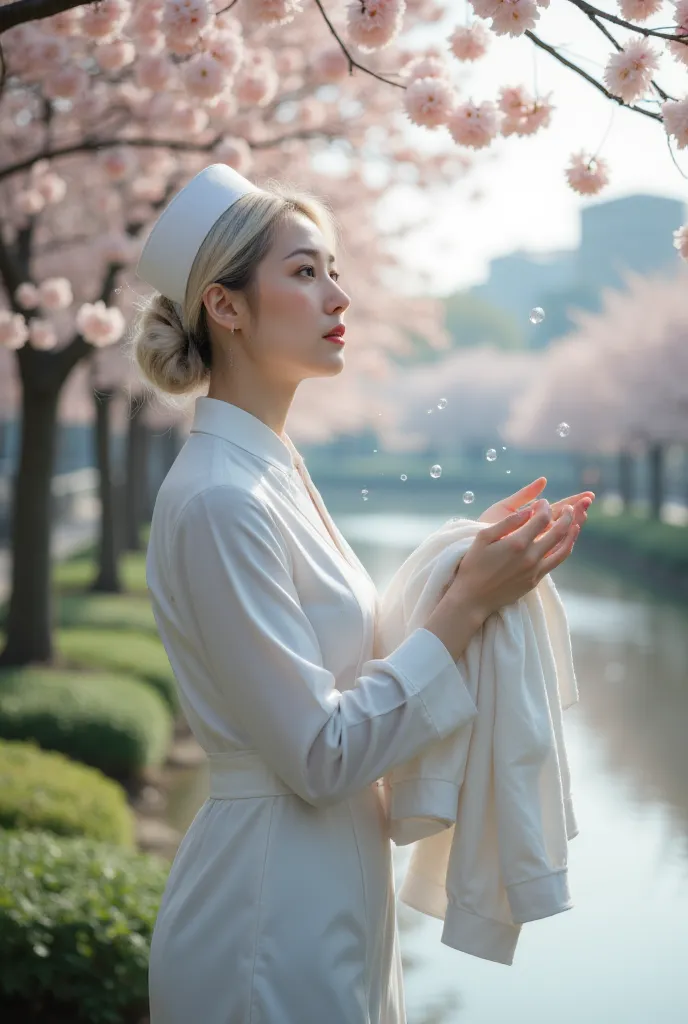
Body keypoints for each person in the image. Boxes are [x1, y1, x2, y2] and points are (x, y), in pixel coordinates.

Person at [130, 164, 586, 1024]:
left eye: (335, 268)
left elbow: (343, 669)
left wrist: (466, 570)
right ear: (225, 307)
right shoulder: (223, 498)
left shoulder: (272, 472)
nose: (339, 295)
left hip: (329, 875)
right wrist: (463, 609)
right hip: (265, 908)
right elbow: (318, 753)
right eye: (304, 272)